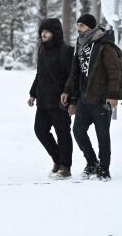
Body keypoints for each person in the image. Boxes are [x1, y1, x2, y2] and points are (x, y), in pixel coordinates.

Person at [61, 14, 122, 181]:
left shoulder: (104, 45)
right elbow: (75, 73)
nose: (78, 28)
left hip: (102, 98)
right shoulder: (80, 45)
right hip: (84, 98)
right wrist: (70, 94)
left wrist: (112, 96)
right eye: (77, 25)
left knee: (102, 135)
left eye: (81, 25)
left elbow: (114, 72)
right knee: (78, 131)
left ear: (90, 27)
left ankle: (104, 169)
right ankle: (92, 162)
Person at [28, 18, 74, 179]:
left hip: (60, 101)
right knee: (40, 130)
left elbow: (72, 77)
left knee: (63, 134)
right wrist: (33, 94)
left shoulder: (66, 50)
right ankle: (57, 159)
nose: (43, 34)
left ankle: (65, 167)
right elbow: (40, 74)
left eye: (47, 31)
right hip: (43, 99)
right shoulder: (42, 49)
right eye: (42, 31)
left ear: (55, 33)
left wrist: (70, 98)